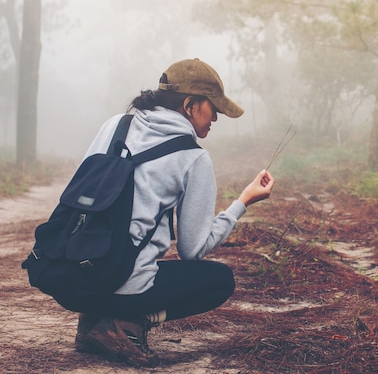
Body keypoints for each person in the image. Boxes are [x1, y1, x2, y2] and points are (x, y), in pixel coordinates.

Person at [67, 58, 275, 367]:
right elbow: (193, 250)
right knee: (220, 281)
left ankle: (93, 320)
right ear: (191, 105)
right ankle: (127, 323)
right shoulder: (193, 157)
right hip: (123, 285)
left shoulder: (115, 124)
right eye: (213, 108)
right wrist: (242, 202)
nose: (215, 118)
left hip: (71, 280)